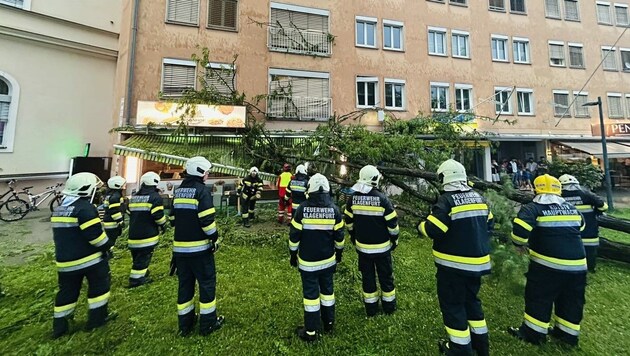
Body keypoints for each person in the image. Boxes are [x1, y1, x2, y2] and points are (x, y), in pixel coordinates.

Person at [417, 159, 493, 356]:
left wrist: (420, 226)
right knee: (472, 302)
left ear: (444, 178)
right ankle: (481, 345)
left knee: (453, 306)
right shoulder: (479, 197)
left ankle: (460, 349)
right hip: (477, 265)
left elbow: (434, 229)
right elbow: (489, 225)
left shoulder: (447, 201)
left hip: (453, 268)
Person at [509, 174, 587, 347]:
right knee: (571, 300)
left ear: (536, 190)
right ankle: (567, 336)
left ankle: (533, 334)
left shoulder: (532, 208)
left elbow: (519, 233)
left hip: (547, 265)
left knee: (539, 297)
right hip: (578, 266)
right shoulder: (571, 208)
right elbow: (581, 227)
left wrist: (520, 245)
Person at [51, 172, 115, 338]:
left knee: (67, 293)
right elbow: (96, 237)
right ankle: (97, 319)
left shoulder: (59, 209)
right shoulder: (85, 209)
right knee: (99, 289)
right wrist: (108, 247)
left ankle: (61, 326)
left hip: (65, 262)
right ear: (86, 189)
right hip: (90, 260)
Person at [170, 156, 224, 336]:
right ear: (200, 172)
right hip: (200, 250)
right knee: (207, 284)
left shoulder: (179, 191)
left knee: (185, 286)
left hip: (180, 250)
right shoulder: (202, 191)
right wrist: (215, 237)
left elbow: (172, 219)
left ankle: (185, 325)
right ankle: (208, 323)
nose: (208, 174)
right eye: (207, 171)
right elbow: (207, 221)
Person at [289, 173, 344, 342]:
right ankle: (328, 323)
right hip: (328, 261)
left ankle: (311, 331)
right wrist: (339, 253)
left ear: (310, 189)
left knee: (311, 296)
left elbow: (294, 236)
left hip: (308, 264)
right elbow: (340, 237)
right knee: (328, 292)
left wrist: (293, 254)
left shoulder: (302, 210)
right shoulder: (334, 210)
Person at [344, 165, 399, 316]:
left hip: (363, 248)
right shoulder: (382, 199)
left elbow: (348, 221)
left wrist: (353, 236)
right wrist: (395, 240)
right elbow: (392, 224)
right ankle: (389, 307)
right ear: (375, 179)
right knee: (386, 277)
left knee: (368, 278)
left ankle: (371, 309)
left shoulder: (352, 198)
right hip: (382, 249)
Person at [559, 174, 608, 272]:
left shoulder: (559, 196)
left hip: (569, 228)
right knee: (590, 249)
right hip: (589, 228)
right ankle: (590, 268)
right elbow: (603, 207)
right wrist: (596, 211)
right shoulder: (586, 194)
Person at [127, 171, 167, 288]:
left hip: (133, 233)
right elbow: (158, 216)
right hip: (147, 235)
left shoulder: (134, 197)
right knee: (143, 258)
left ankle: (141, 272)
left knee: (137, 257)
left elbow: (129, 212)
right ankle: (136, 280)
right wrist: (163, 225)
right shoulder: (155, 198)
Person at [102, 176, 126, 246]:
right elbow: (114, 210)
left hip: (108, 221)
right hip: (112, 223)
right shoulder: (115, 196)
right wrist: (120, 221)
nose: (124, 186)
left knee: (110, 238)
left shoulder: (110, 195)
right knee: (112, 239)